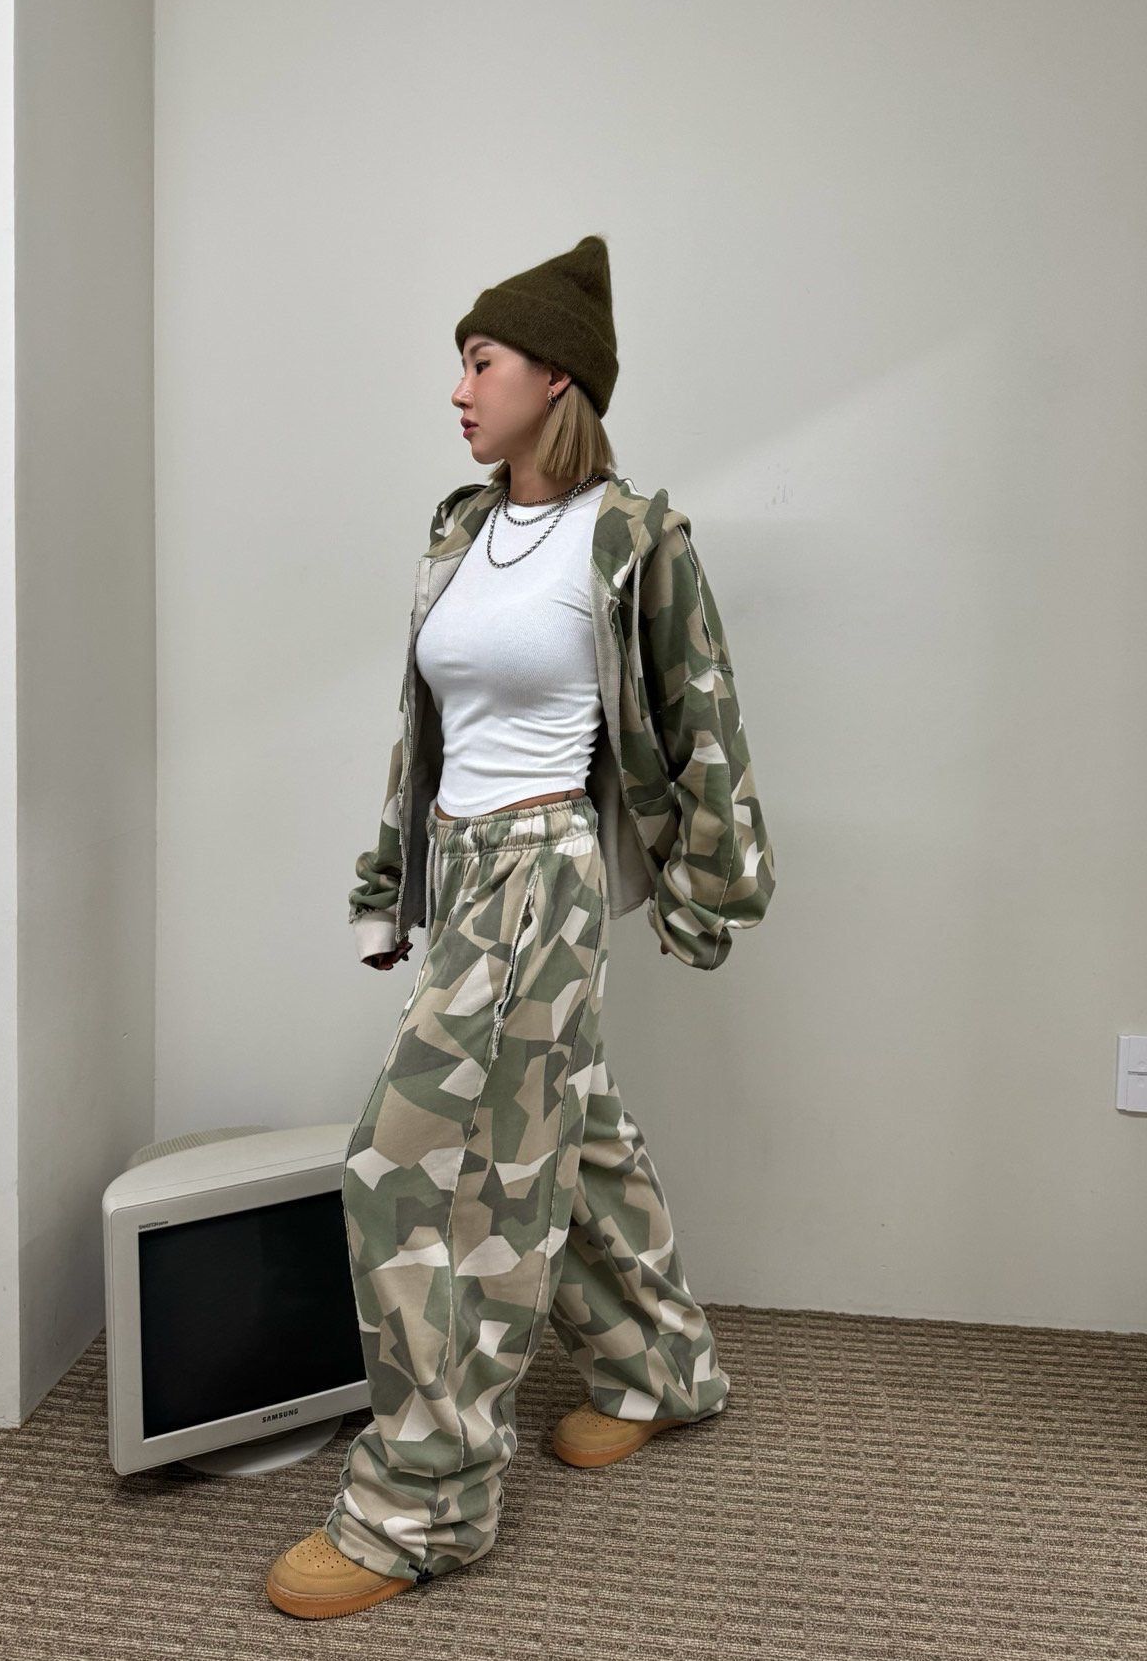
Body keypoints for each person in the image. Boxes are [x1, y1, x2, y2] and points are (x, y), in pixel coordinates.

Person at [266, 235, 775, 1620]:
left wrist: (708, 892)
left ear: (555, 376)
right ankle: (662, 1365)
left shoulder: (632, 537)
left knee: (417, 1171)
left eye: (479, 361)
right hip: (460, 866)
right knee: (567, 1124)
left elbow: (702, 716)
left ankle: (428, 1499)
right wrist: (392, 883)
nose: (457, 388)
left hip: (543, 871)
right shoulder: (460, 527)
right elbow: (428, 728)